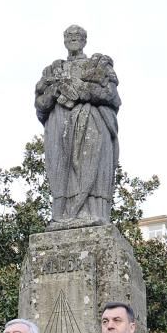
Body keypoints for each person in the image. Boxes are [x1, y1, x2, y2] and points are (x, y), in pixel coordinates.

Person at [35, 25, 121, 228]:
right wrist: (55, 90)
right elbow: (40, 106)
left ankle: (91, 213)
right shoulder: (52, 70)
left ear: (85, 40)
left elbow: (112, 97)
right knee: (60, 169)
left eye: (78, 36)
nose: (74, 38)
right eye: (69, 36)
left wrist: (82, 90)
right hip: (59, 125)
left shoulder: (98, 65)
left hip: (91, 122)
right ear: (64, 40)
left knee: (89, 166)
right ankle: (62, 216)